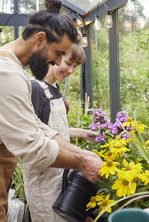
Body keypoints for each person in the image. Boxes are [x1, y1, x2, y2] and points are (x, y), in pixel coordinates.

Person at [0, 0, 103, 222]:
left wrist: (83, 153)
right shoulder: (1, 72)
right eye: (58, 53)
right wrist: (82, 163)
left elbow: (35, 125)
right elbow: (32, 146)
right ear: (40, 40)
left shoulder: (7, 66)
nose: (57, 62)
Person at [24, 43, 96, 222]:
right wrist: (82, 155)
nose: (71, 70)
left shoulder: (54, 88)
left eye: (75, 66)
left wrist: (82, 133)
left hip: (59, 172)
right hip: (42, 175)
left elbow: (53, 129)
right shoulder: (35, 89)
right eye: (68, 63)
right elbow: (37, 133)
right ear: (55, 57)